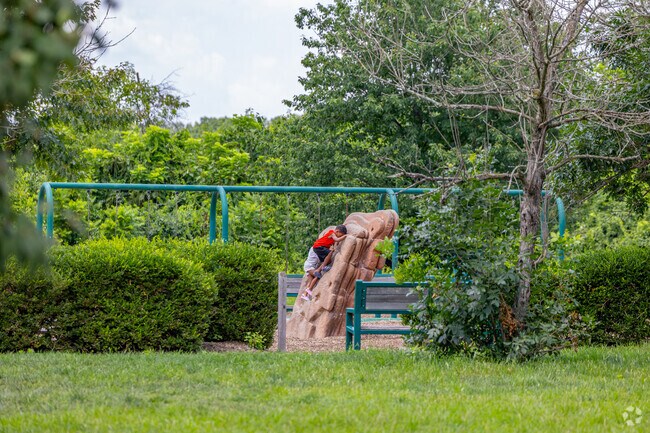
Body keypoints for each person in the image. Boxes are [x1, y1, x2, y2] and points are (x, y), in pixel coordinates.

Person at [301, 225, 347, 300]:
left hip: (311, 263)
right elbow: (337, 239)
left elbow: (335, 242)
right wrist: (345, 236)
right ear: (337, 231)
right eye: (340, 235)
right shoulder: (332, 233)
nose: (340, 237)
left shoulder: (331, 238)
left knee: (311, 281)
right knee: (318, 274)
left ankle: (305, 294)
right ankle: (322, 268)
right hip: (315, 253)